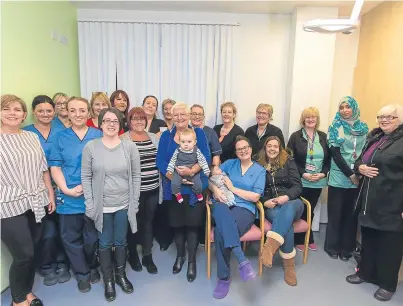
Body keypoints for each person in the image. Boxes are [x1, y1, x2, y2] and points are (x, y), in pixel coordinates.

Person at [1, 94, 55, 306]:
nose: (12, 113)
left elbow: (43, 169)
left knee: (33, 251)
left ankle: (27, 292)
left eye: (17, 109)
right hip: (7, 205)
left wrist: (49, 194)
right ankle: (17, 299)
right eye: (7, 109)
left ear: (24, 115)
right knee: (23, 254)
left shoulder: (31, 137)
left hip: (36, 201)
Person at [82, 108, 140, 301]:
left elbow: (136, 175)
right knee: (105, 243)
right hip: (102, 206)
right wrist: (90, 204)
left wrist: (135, 201)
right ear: (100, 124)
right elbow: (86, 176)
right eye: (107, 120)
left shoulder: (129, 146)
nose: (111, 124)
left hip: (124, 204)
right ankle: (108, 280)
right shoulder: (91, 147)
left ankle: (120, 275)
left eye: (115, 120)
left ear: (121, 124)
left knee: (121, 241)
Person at [346, 104, 403, 302]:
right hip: (368, 201)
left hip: (392, 204)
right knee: (368, 240)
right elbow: (359, 160)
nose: (384, 120)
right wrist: (360, 167)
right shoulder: (376, 137)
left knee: (390, 245)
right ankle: (365, 273)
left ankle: (388, 284)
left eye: (390, 116)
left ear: (400, 119)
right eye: (381, 116)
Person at [49, 97, 103, 293]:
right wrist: (65, 189)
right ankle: (82, 274)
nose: (78, 115)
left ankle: (91, 265)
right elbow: (54, 166)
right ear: (68, 113)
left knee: (91, 237)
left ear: (88, 112)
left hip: (93, 196)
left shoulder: (98, 135)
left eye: (82, 110)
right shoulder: (59, 137)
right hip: (69, 196)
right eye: (73, 111)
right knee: (71, 238)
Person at [156, 102, 211, 283]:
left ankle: (192, 262)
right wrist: (175, 175)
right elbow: (161, 161)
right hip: (175, 187)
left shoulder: (199, 133)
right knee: (178, 224)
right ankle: (180, 256)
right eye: (176, 114)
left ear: (188, 116)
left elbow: (206, 157)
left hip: (195, 187)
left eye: (183, 114)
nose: (179, 118)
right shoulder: (166, 136)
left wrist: (192, 171)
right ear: (171, 116)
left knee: (193, 224)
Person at [208, 136, 266, 299]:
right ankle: (241, 260)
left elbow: (255, 197)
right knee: (220, 212)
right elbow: (211, 180)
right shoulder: (229, 164)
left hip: (244, 208)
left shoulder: (260, 170)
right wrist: (215, 190)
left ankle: (224, 278)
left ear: (251, 149)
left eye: (245, 148)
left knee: (221, 232)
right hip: (222, 204)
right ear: (236, 152)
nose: (243, 151)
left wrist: (232, 188)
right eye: (239, 149)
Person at [23, 95, 70, 286]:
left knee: (63, 229)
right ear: (33, 112)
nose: (45, 114)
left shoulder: (62, 130)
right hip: (38, 189)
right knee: (46, 231)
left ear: (54, 112)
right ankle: (46, 266)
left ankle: (63, 262)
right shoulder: (26, 133)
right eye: (40, 111)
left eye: (49, 110)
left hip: (62, 187)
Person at [325, 96, 368, 261]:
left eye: (348, 107)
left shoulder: (363, 128)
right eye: (341, 107)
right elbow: (335, 154)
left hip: (358, 176)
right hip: (339, 176)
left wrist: (356, 173)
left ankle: (346, 248)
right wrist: (349, 174)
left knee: (351, 215)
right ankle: (332, 246)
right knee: (336, 213)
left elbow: (365, 153)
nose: (344, 110)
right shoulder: (335, 126)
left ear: (354, 108)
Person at [257, 136, 304, 286]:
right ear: (265, 148)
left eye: (275, 146)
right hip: (273, 205)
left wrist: (287, 196)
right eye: (269, 146)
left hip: (293, 203)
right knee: (286, 224)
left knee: (288, 208)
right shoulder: (258, 164)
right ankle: (289, 266)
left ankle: (269, 247)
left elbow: (298, 186)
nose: (272, 149)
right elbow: (256, 189)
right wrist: (265, 202)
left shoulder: (288, 161)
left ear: (280, 148)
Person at [120, 107, 162, 274]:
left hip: (153, 188)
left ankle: (147, 255)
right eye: (134, 119)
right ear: (129, 121)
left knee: (148, 222)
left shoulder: (153, 137)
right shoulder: (123, 139)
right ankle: (133, 255)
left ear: (146, 120)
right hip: (133, 191)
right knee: (132, 223)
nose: (138, 122)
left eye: (142, 118)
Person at [287, 107, 330, 252]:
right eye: (308, 117)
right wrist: (303, 173)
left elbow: (329, 159)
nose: (311, 120)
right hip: (300, 180)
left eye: (314, 117)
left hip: (317, 181)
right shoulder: (295, 136)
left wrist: (323, 173)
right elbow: (289, 158)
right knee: (300, 209)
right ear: (303, 120)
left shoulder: (323, 137)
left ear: (317, 119)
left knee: (310, 210)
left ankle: (307, 236)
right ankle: (300, 238)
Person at [190, 104, 222, 245]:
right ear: (190, 115)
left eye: (200, 114)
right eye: (194, 113)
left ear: (203, 116)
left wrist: (213, 170)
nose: (197, 116)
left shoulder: (210, 132)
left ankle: (202, 237)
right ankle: (189, 236)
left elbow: (216, 153)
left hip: (205, 175)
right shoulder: (184, 130)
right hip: (186, 175)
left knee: (202, 206)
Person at [167, 128, 210, 203]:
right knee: (174, 182)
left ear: (195, 142)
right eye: (183, 142)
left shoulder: (197, 151)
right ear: (179, 142)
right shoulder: (178, 150)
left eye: (189, 142)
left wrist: (206, 170)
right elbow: (172, 160)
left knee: (198, 184)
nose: (186, 144)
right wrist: (170, 170)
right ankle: (177, 193)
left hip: (192, 170)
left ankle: (198, 193)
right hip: (179, 169)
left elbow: (202, 160)